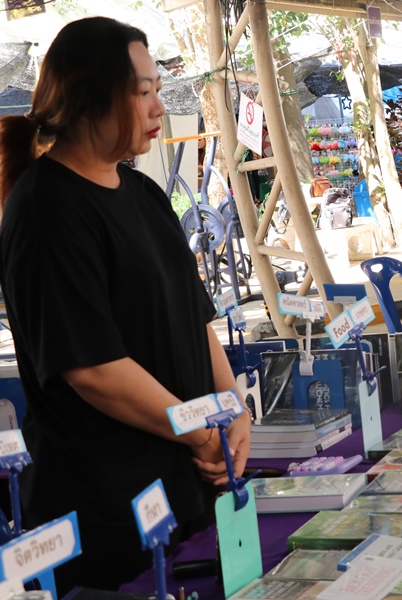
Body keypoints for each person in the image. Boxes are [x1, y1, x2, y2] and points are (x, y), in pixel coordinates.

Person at [0, 17, 251, 592]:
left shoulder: (143, 192)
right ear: (93, 99)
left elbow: (196, 321)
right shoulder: (46, 208)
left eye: (158, 89)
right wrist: (200, 432)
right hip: (111, 507)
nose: (159, 106)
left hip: (187, 485)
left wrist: (233, 412)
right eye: (144, 92)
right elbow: (93, 369)